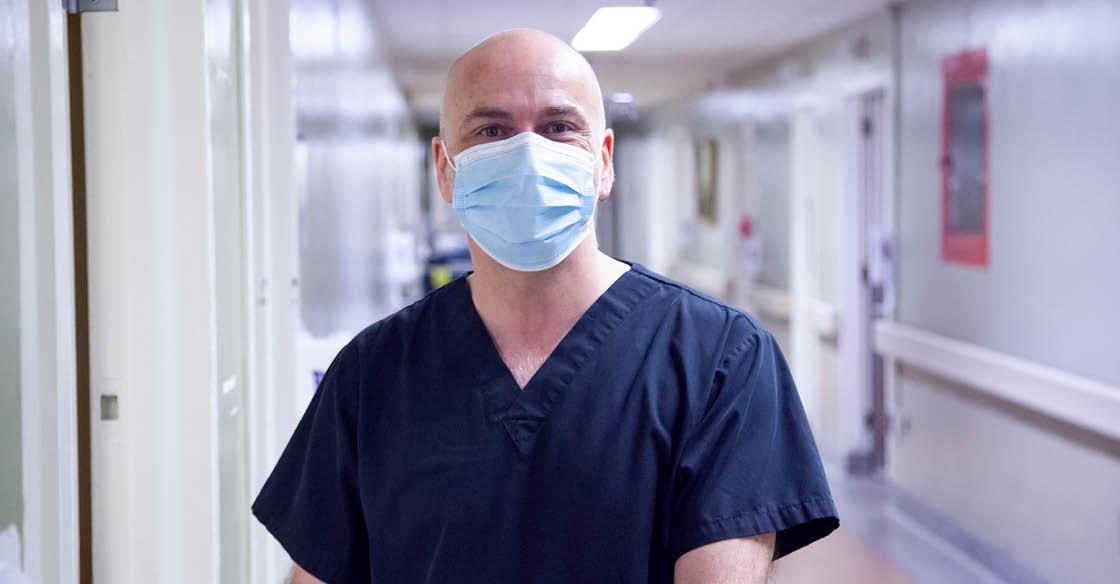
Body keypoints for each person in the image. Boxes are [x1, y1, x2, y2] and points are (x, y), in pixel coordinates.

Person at [253, 28, 838, 584]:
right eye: (490, 131)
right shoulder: (373, 373)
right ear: (444, 170)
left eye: (559, 127)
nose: (528, 154)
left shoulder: (720, 359)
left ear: (603, 162)